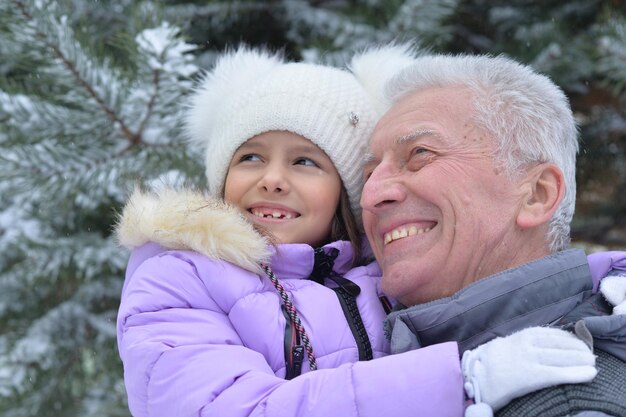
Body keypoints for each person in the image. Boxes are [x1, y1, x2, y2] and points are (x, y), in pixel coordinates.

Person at [114, 46, 598, 417]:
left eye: (305, 162)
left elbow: (504, 284)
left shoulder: (375, 277)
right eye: (250, 157)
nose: (272, 178)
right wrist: (460, 378)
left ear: (344, 195)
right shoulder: (178, 277)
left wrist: (608, 275)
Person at [359, 50, 626, 416]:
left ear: (536, 195)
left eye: (420, 153)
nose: (371, 195)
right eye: (369, 174)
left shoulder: (567, 403)